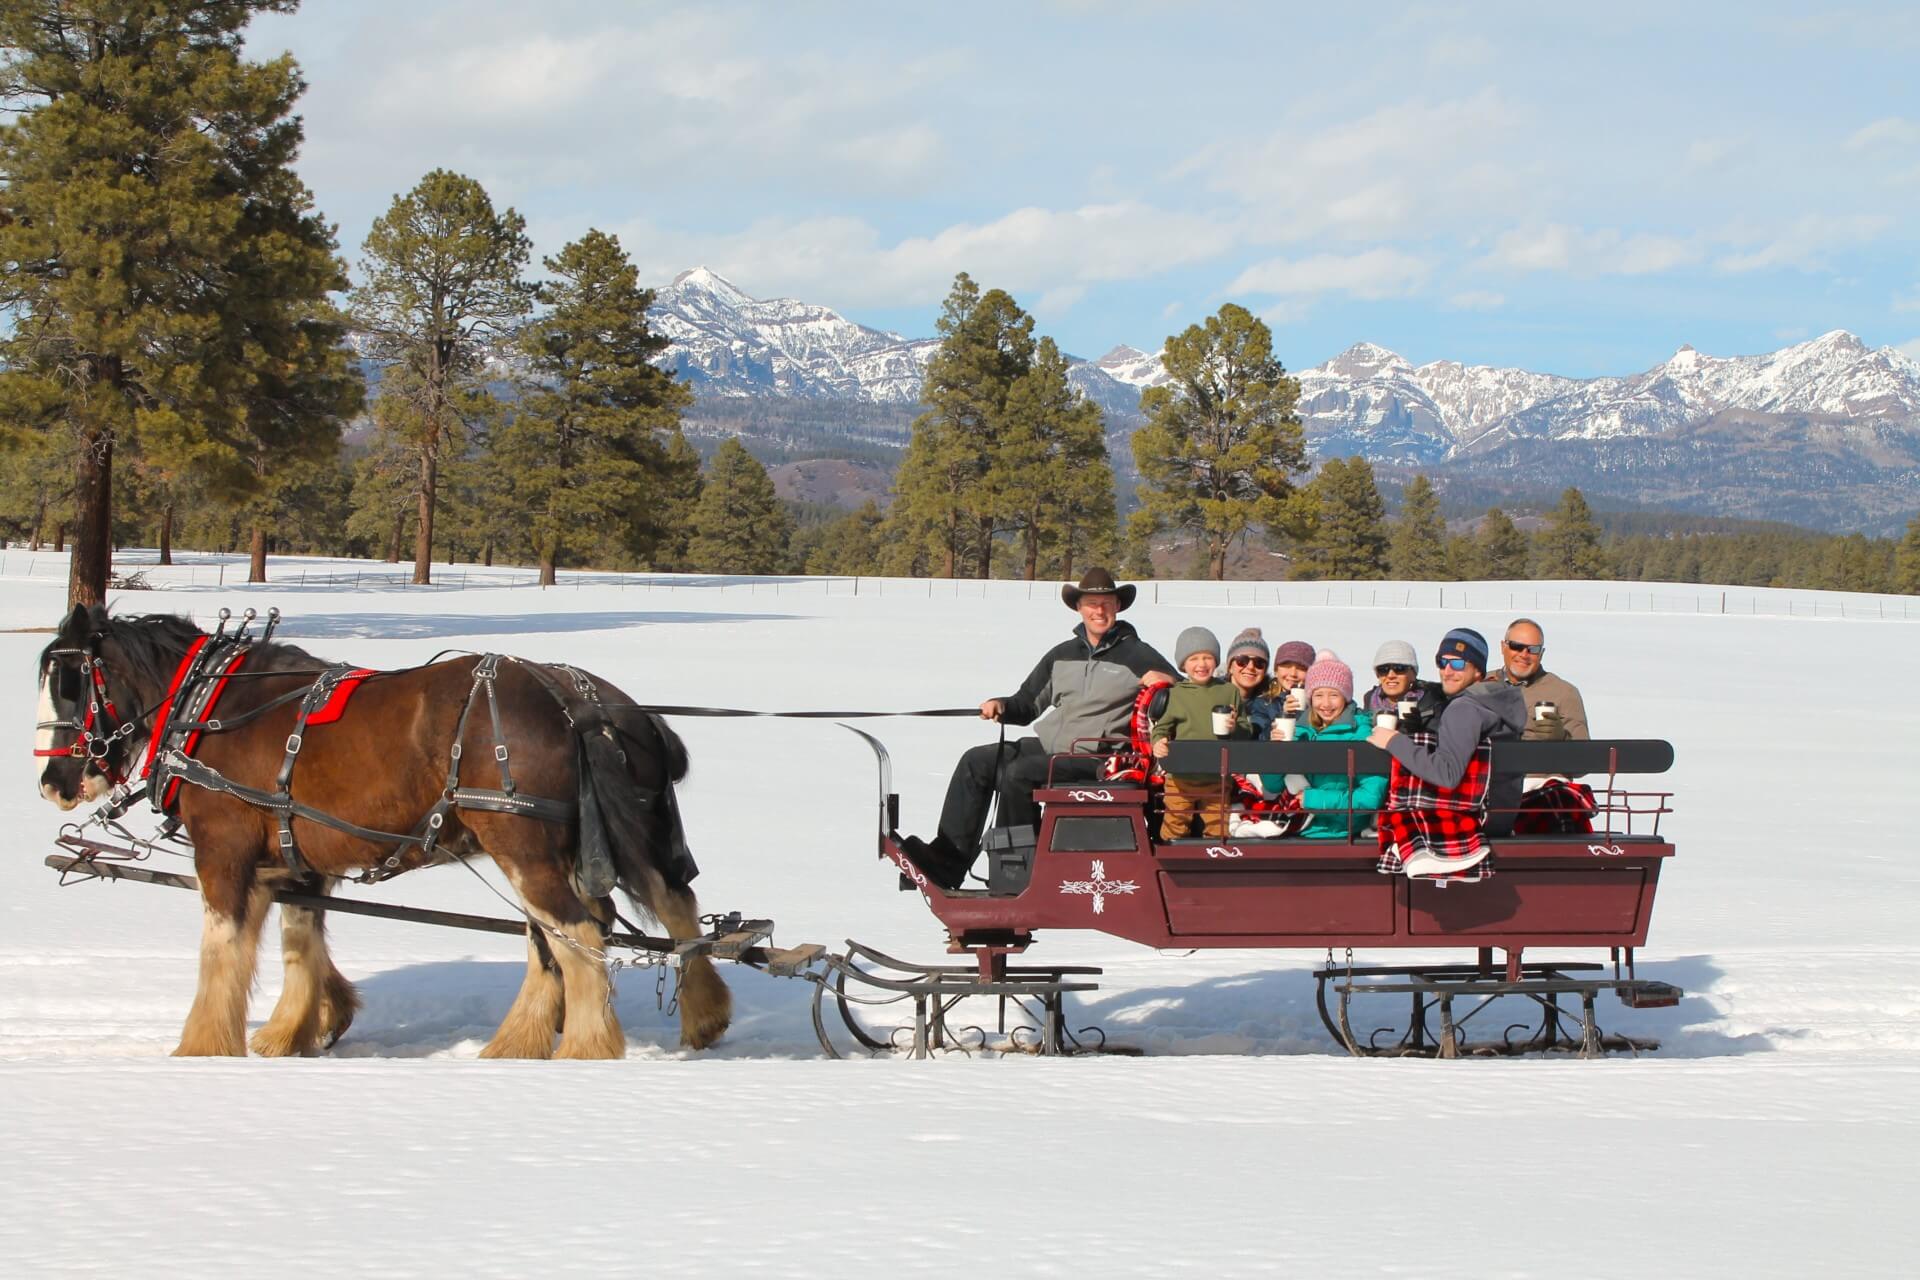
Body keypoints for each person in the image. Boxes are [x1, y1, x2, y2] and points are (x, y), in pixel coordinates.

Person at [902, 568, 1175, 889]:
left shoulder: (1138, 653)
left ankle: (1015, 871)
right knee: (976, 761)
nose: (1099, 611)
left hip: (1101, 757)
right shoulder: (1061, 655)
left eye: (1106, 603)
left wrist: (1167, 683)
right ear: (1079, 608)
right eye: (1091, 603)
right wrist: (1001, 705)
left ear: (1117, 606)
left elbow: (1185, 693)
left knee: (1018, 772)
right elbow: (1027, 704)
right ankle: (946, 862)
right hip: (1052, 747)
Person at [1366, 627, 1525, 879]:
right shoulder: (1494, 702)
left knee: (1391, 814)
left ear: (1478, 671)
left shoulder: (1463, 708)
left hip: (1476, 815)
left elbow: (1447, 774)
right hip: (1503, 809)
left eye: (1458, 663)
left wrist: (1394, 741)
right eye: (1442, 662)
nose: (1447, 671)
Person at [1260, 655, 1388, 840]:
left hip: (1342, 835)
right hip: (1297, 830)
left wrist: (1316, 800)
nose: (1326, 704)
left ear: (1345, 697)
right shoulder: (1298, 730)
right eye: (1319, 695)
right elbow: (1273, 785)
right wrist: (1276, 751)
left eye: (1334, 695)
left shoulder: (1361, 734)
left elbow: (1370, 798)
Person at [1151, 627, 1241, 839]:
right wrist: (1159, 742)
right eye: (1193, 658)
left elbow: (1245, 728)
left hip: (1217, 776)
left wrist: (1235, 727)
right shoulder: (1177, 694)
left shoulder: (1228, 691)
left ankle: (1216, 864)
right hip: (1181, 777)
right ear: (1183, 664)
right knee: (1176, 822)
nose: (1201, 664)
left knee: (1219, 826)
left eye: (1207, 657)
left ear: (1216, 660)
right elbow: (1161, 728)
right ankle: (1172, 864)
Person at [1494, 618, 1589, 741]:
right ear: (1503, 647)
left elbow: (1584, 752)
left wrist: (1563, 738)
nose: (1524, 655)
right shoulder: (1481, 684)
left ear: (1541, 653)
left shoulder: (1564, 693)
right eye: (1516, 646)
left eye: (1533, 649)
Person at [1247, 638, 1315, 738]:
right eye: (1286, 666)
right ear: (1276, 670)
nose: (1293, 674)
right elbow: (1256, 737)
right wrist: (1283, 716)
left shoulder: (1317, 702)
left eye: (1301, 668)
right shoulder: (1264, 703)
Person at [1361, 640, 1439, 720]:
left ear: (1413, 674)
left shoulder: (1432, 703)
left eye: (1399, 668)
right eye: (1383, 669)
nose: (1391, 675)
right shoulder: (1369, 701)